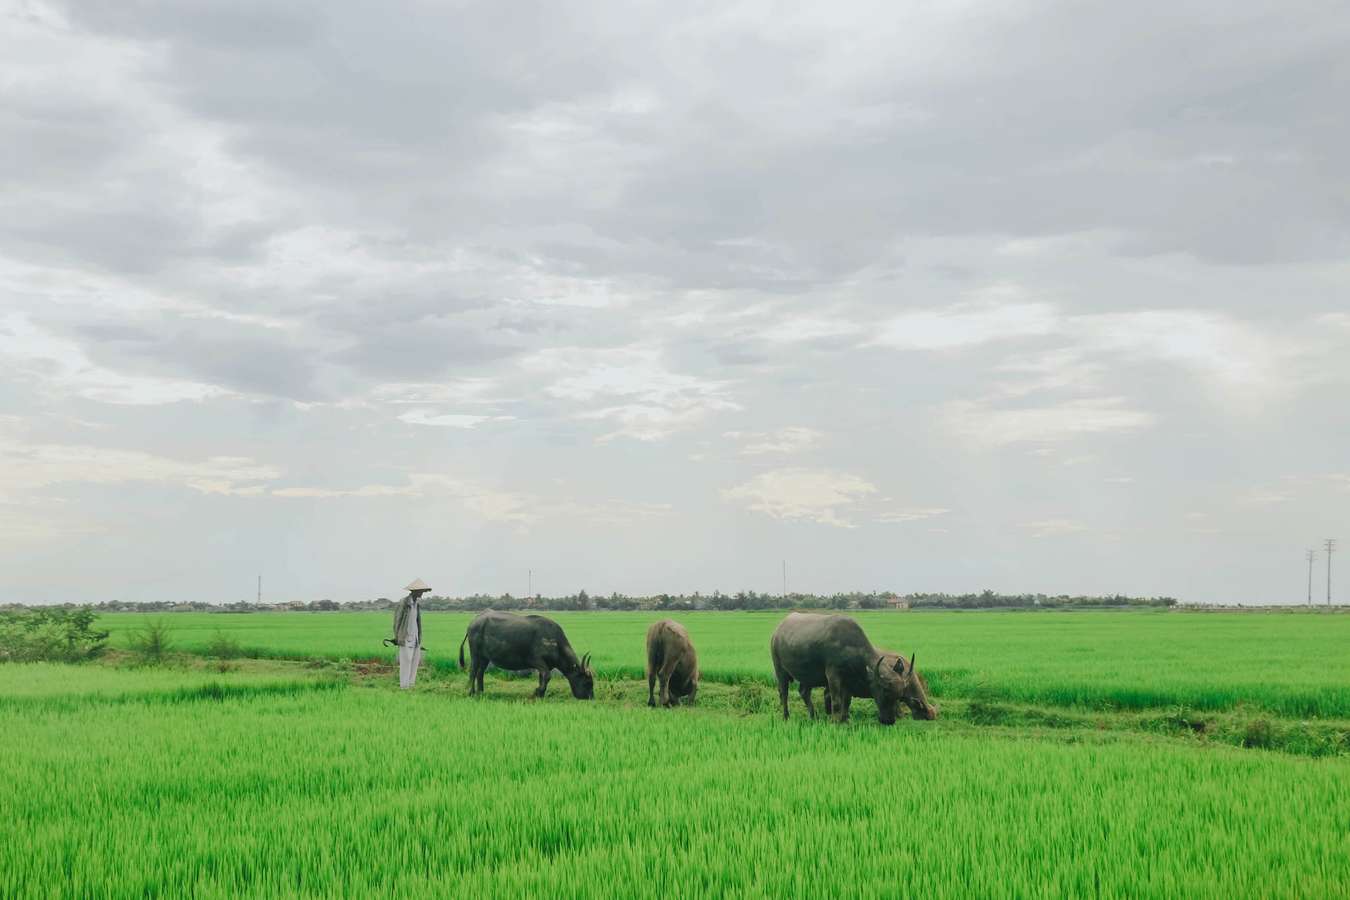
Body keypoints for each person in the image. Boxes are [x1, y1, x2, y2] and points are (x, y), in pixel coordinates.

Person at [391, 579, 430, 689]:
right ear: (415, 591)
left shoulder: (416, 604)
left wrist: (419, 638)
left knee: (414, 661)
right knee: (406, 661)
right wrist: (397, 637)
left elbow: (417, 622)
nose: (422, 593)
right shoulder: (404, 603)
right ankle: (404, 686)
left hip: (415, 637)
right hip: (405, 636)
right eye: (421, 591)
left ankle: (411, 685)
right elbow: (397, 621)